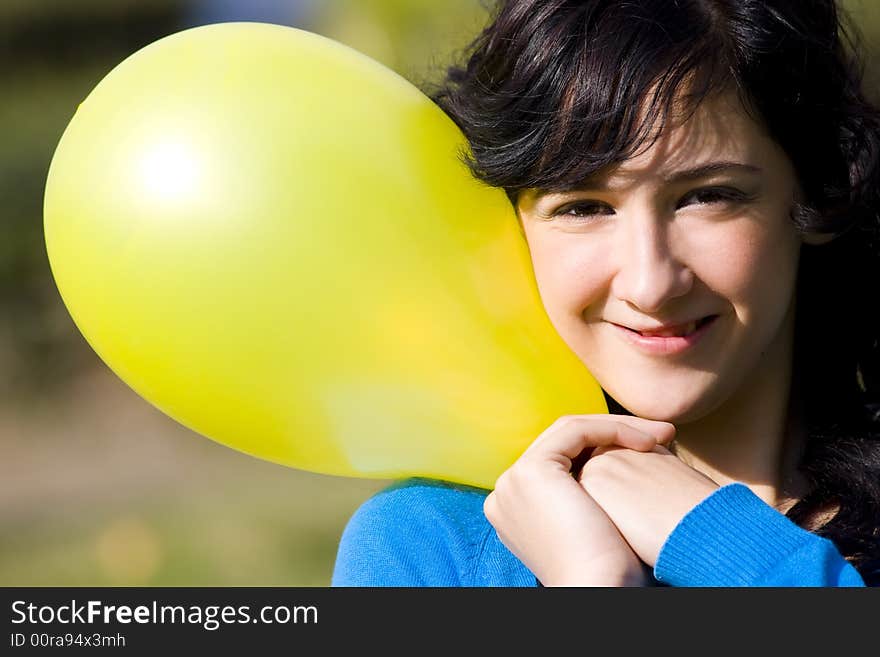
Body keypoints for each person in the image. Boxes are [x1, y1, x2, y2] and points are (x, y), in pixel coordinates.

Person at [331, 0, 880, 587]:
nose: (651, 283)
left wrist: (717, 543)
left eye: (707, 196)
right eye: (583, 207)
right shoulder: (429, 548)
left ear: (818, 190)